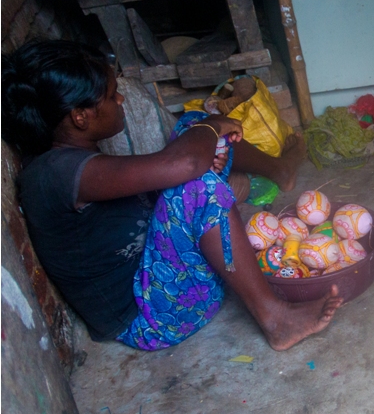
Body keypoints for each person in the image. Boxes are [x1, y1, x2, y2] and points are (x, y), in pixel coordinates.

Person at [2, 40, 342, 351]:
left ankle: (278, 170)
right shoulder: (56, 175)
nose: (119, 100)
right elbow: (186, 163)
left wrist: (204, 140)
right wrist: (210, 133)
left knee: (192, 128)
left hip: (163, 273)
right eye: (110, 95)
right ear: (80, 117)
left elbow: (162, 185)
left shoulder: (71, 160)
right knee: (197, 173)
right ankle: (276, 319)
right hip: (153, 317)